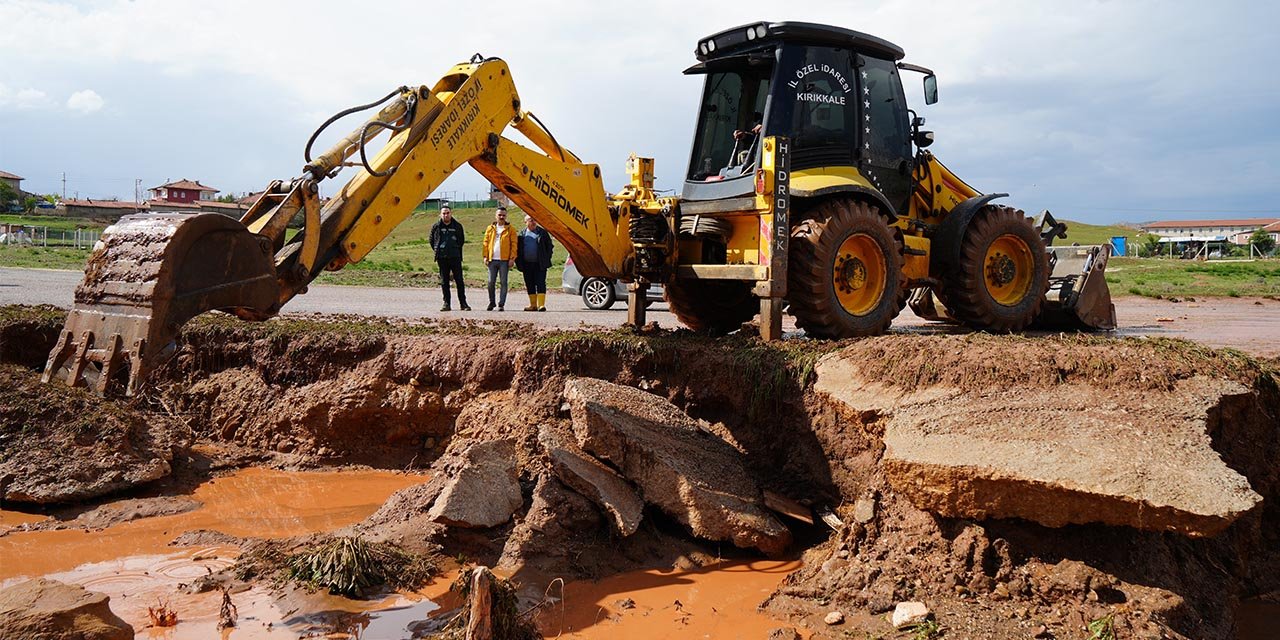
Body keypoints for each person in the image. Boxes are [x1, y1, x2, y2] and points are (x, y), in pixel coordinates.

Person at [429, 204, 470, 311]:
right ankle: (446, 304)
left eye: (448, 213)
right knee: (444, 281)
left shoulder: (457, 226)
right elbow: (432, 240)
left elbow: (461, 240)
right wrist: (438, 250)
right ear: (440, 214)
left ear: (451, 214)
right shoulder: (436, 227)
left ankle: (463, 304)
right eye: (444, 213)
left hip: (455, 257)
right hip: (442, 258)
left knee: (459, 280)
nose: (446, 215)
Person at [481, 206, 517, 311]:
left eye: (503, 215)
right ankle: (491, 302)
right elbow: (485, 243)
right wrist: (485, 256)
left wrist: (512, 258)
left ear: (506, 216)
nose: (501, 217)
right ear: (496, 216)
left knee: (503, 282)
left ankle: (501, 303)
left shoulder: (511, 229)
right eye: (499, 215)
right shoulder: (490, 228)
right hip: (492, 260)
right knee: (491, 282)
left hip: (504, 261)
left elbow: (514, 244)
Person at [515, 214, 554, 311]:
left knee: (540, 283)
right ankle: (533, 305)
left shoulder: (542, 233)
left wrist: (546, 258)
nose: (533, 222)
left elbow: (549, 247)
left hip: (540, 264)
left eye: (534, 220)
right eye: (531, 220)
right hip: (526, 264)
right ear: (526, 222)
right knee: (530, 284)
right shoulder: (521, 234)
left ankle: (541, 305)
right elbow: (518, 249)